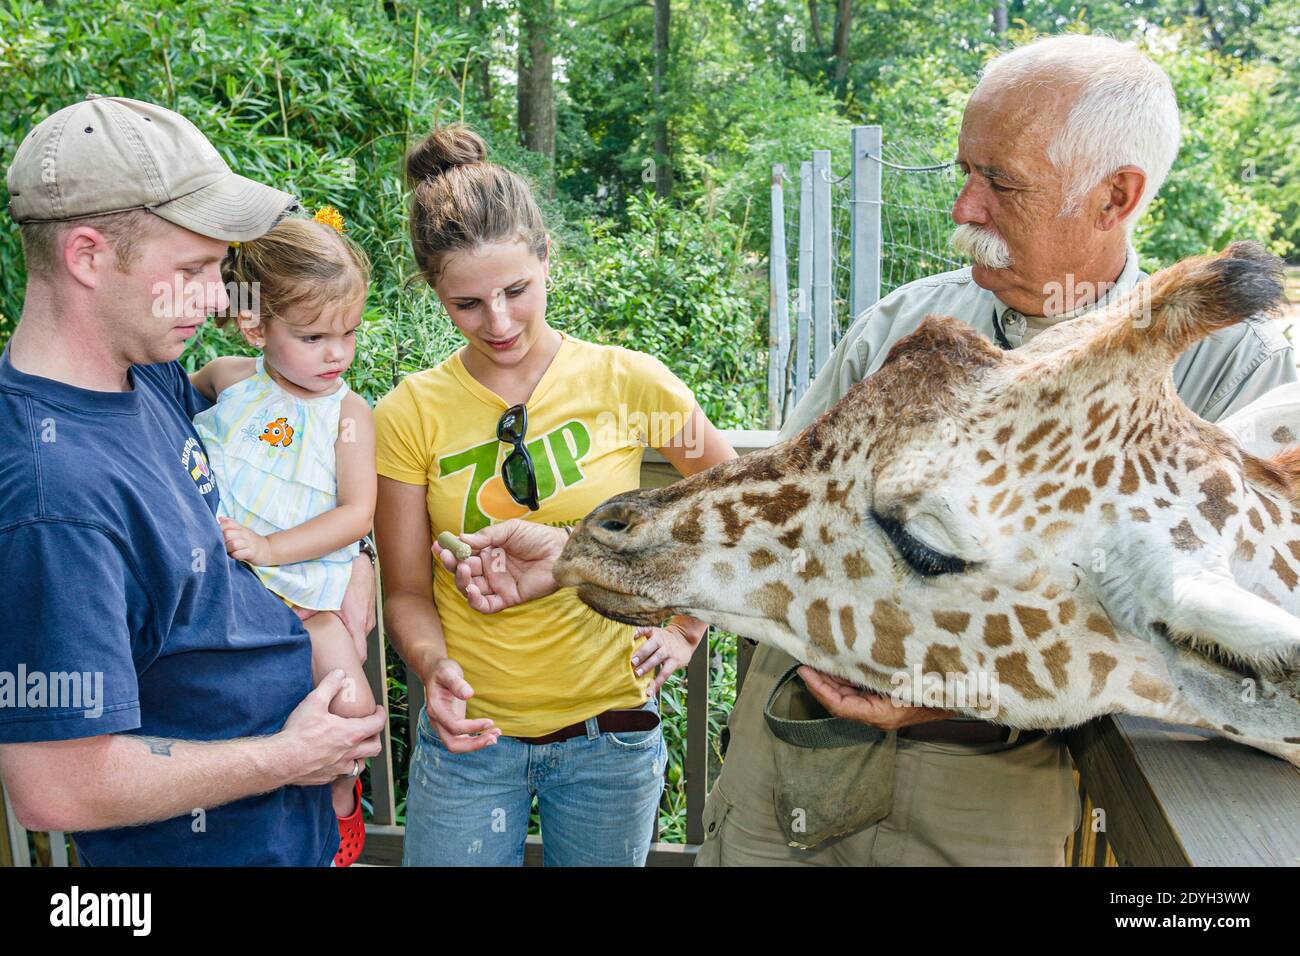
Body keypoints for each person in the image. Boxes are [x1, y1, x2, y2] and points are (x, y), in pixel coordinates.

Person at [434, 34, 1296, 866]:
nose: (964, 207)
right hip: (798, 749)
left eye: (1001, 182)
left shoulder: (1225, 370)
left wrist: (939, 697)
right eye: (965, 171)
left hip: (992, 796)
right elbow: (785, 511)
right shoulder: (905, 327)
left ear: (1115, 196)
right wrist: (594, 556)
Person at [0, 94, 385, 866]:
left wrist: (355, 563)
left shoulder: (146, 377)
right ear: (86, 256)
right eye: (195, 269)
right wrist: (285, 757)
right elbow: (55, 785)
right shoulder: (53, 500)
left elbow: (272, 468)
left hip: (287, 835)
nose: (218, 300)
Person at [373, 123, 736, 866]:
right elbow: (406, 591)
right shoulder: (408, 412)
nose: (498, 322)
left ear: (546, 257)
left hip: (611, 735)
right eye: (467, 304)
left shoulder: (629, 382)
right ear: (432, 290)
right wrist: (431, 668)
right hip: (471, 738)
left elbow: (734, 505)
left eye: (516, 290)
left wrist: (689, 629)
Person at [187, 213, 378, 866]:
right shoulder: (225, 380)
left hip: (309, 600)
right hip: (228, 601)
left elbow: (356, 514)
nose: (338, 354)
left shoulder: (348, 415)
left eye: (350, 333)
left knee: (354, 706)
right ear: (255, 325)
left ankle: (343, 801)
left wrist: (271, 549)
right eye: (315, 336)